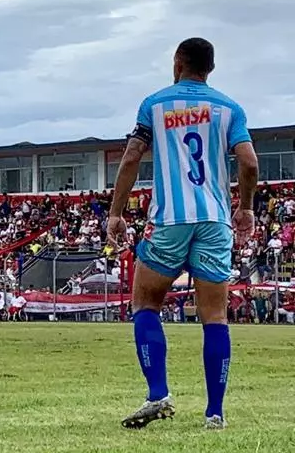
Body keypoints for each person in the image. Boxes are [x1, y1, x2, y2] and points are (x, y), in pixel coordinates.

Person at [108, 38, 258, 430]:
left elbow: (131, 157)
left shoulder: (154, 105)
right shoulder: (229, 108)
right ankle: (215, 413)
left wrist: (116, 212)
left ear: (178, 64)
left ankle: (158, 394)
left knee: (145, 304)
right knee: (214, 316)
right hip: (214, 221)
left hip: (170, 219)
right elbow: (249, 162)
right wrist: (245, 207)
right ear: (210, 68)